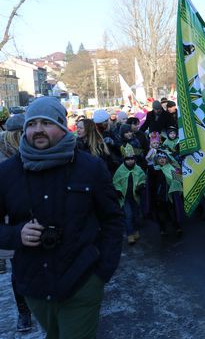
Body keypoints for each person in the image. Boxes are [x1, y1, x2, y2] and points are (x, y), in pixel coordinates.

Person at [0, 97, 123, 338]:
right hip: (34, 285)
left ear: (61, 125)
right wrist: (17, 234)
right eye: (32, 124)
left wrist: (103, 271)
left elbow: (112, 219)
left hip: (82, 281)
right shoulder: (7, 173)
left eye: (45, 123)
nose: (38, 130)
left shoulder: (90, 167)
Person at [0, 114, 33, 332]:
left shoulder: (36, 152)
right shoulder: (3, 159)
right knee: (19, 271)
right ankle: (24, 312)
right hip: (12, 222)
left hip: (35, 214)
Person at [112, 144, 146, 245]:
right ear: (124, 160)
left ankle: (135, 230)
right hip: (125, 197)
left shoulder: (138, 169)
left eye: (132, 159)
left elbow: (143, 178)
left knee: (136, 215)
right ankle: (130, 234)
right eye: (127, 159)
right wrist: (118, 190)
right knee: (128, 215)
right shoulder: (120, 170)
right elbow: (115, 181)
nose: (130, 161)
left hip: (135, 197)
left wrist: (140, 186)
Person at [150, 150, 184, 236]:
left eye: (164, 158)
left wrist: (180, 173)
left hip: (171, 194)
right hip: (160, 196)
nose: (162, 160)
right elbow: (151, 184)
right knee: (161, 214)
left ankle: (177, 226)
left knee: (173, 211)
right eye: (159, 158)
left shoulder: (171, 168)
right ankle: (162, 228)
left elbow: (179, 179)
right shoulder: (155, 170)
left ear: (167, 159)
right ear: (156, 160)